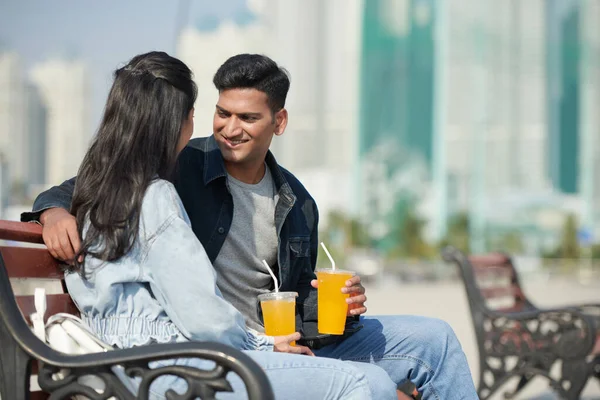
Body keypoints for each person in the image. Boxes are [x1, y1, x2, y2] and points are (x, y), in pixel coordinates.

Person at [23, 53, 478, 399]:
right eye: (221, 113)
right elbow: (93, 185)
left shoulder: (297, 202)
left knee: (434, 338)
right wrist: (52, 211)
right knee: (371, 384)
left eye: (247, 118)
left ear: (278, 122)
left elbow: (296, 298)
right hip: (220, 348)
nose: (228, 128)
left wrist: (332, 303)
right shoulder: (177, 168)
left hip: (269, 341)